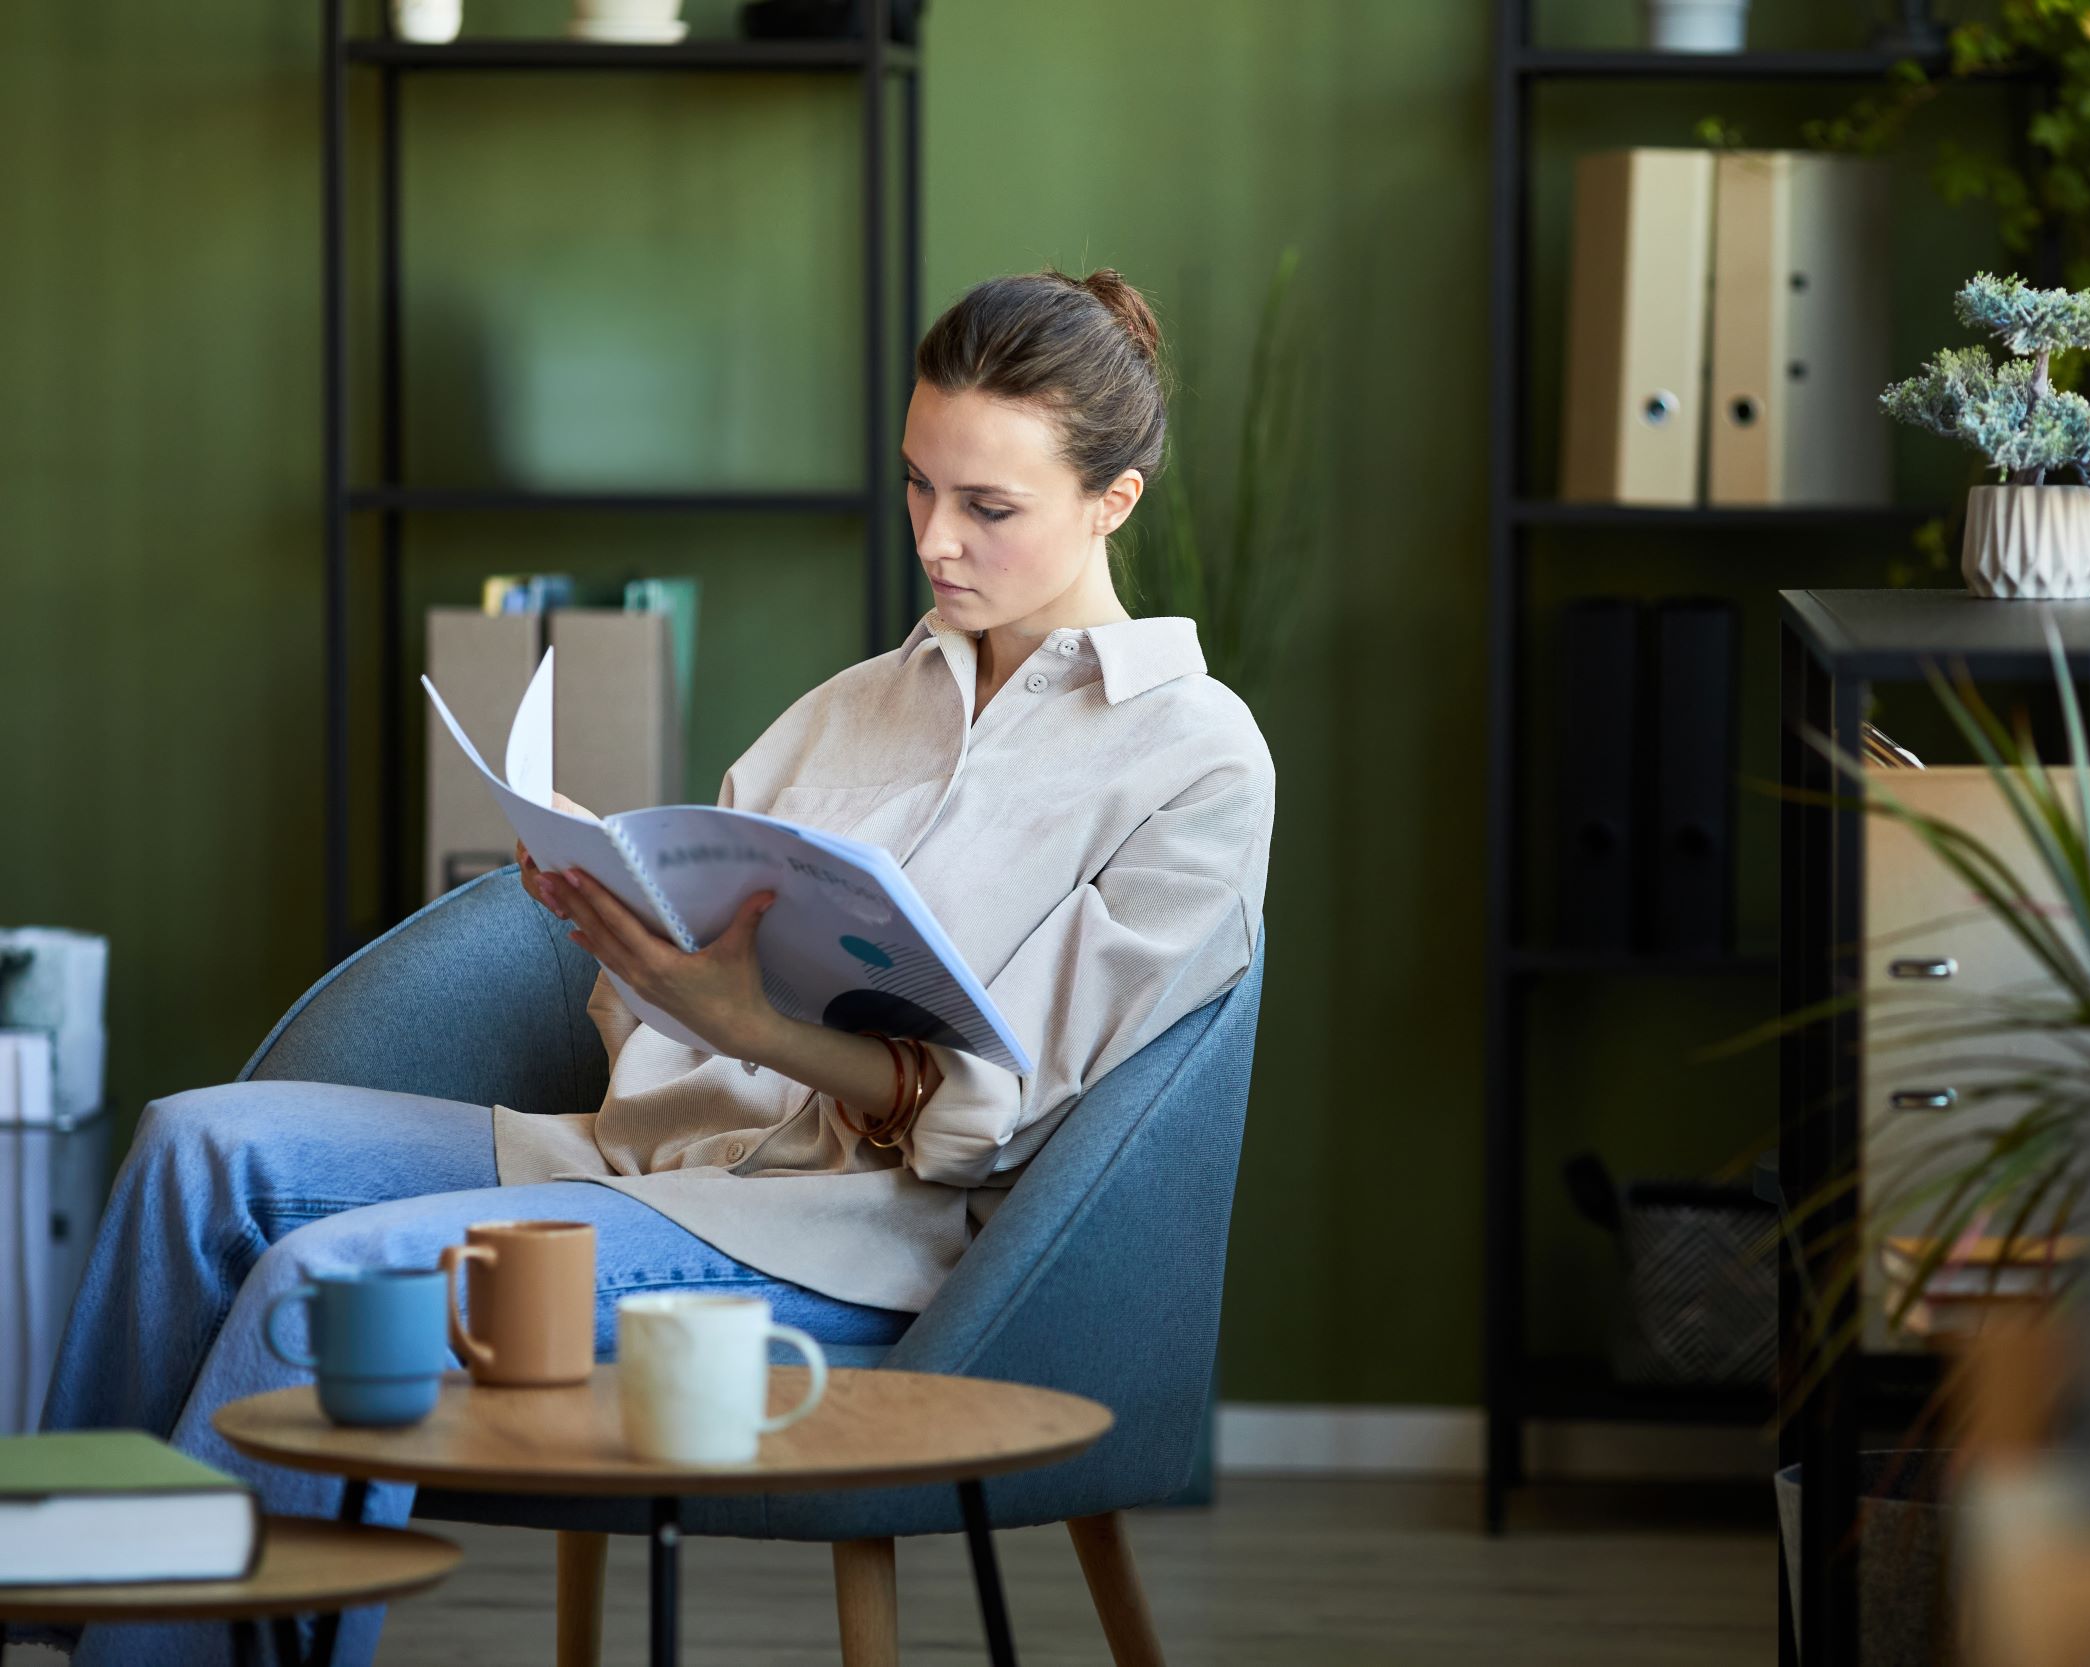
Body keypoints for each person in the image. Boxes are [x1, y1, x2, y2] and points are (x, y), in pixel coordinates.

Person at [30, 268, 1274, 1667]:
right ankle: (89, 1615)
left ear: (1115, 499)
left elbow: (1008, 1117)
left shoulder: (1197, 763)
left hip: (862, 1239)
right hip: (653, 1155)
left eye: (989, 508)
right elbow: (679, 981)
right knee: (198, 1150)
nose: (934, 539)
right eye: (919, 485)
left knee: (343, 1273)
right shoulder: (852, 709)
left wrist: (749, 1019)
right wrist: (629, 939)